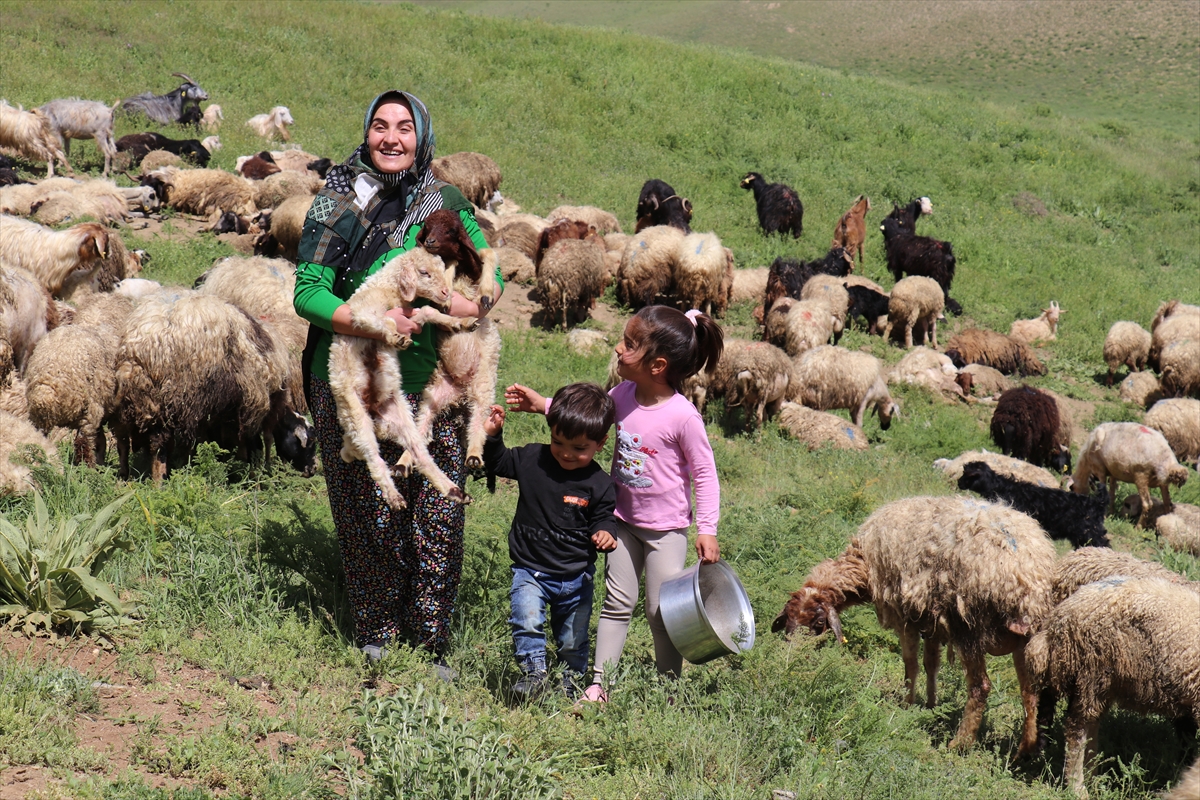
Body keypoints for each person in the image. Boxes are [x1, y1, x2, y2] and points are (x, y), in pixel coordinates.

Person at [292, 90, 503, 671]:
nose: (391, 138)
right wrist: (372, 320)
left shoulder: (445, 199)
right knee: (370, 515)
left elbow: (493, 267)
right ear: (366, 133)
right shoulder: (337, 199)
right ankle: (377, 633)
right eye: (380, 126)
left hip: (431, 377)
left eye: (404, 127)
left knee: (439, 512)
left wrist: (477, 302)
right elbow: (307, 293)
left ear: (421, 135)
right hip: (354, 374)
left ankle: (430, 638)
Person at [505, 305, 724, 703]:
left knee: (662, 612)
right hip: (620, 522)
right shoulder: (622, 395)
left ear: (657, 365)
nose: (619, 348)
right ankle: (598, 685)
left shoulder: (683, 417)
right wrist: (543, 404)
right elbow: (589, 419)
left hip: (666, 532)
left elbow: (706, 474)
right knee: (617, 603)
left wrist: (706, 528)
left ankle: (667, 688)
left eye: (629, 344)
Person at [483, 383, 618, 700]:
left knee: (573, 638)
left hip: (576, 577)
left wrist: (606, 532)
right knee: (527, 621)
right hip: (530, 570)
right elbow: (499, 462)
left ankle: (570, 683)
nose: (567, 453)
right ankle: (534, 675)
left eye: (579, 448)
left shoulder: (598, 483)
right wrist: (492, 436)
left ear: (600, 444)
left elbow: (604, 516)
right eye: (558, 441)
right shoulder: (533, 459)